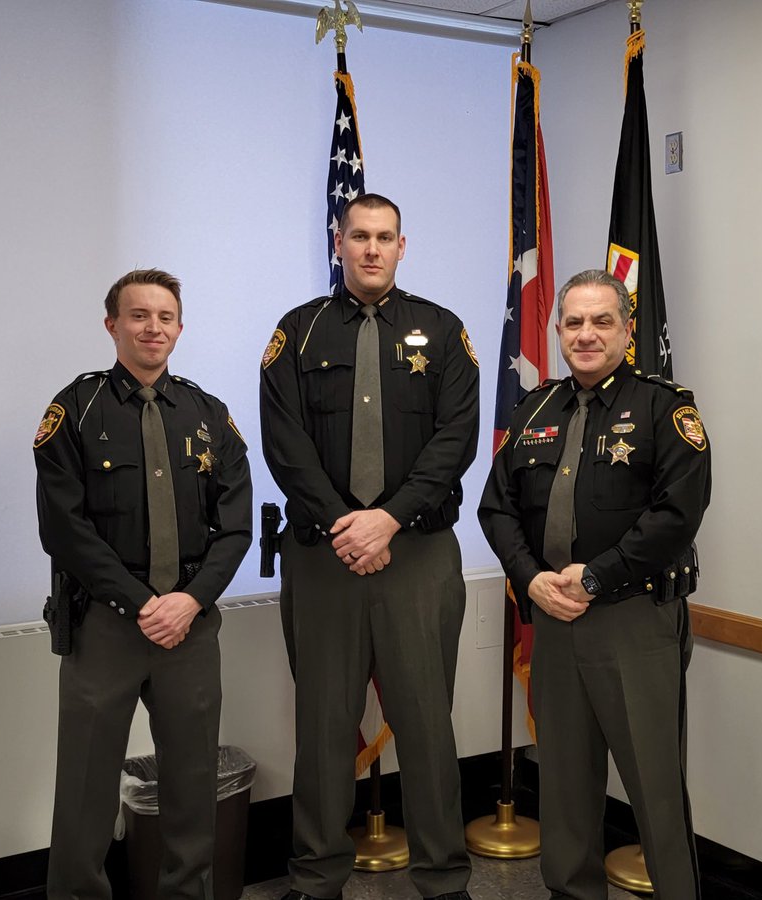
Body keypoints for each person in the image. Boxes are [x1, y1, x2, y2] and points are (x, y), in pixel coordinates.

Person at [260, 194, 480, 900]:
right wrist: (345, 525)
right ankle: (317, 877)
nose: (372, 249)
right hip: (323, 558)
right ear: (339, 242)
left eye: (385, 237)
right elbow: (284, 443)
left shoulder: (442, 332)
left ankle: (442, 879)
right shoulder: (298, 332)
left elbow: (456, 441)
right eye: (360, 236)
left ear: (403, 246)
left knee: (425, 723)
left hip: (417, 554)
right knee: (324, 727)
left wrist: (387, 520)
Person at [479, 269, 711, 900]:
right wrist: (532, 581)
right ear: (557, 330)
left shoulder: (666, 406)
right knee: (565, 787)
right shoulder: (535, 408)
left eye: (601, 321)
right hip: (554, 618)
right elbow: (495, 508)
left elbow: (678, 511)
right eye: (573, 322)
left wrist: (598, 576)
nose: (586, 334)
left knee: (655, 790)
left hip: (632, 621)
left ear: (627, 329)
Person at [33, 268, 252, 899]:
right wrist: (141, 603)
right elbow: (65, 531)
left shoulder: (208, 415)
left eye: (164, 317)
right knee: (84, 791)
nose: (152, 328)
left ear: (179, 328)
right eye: (138, 316)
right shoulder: (73, 411)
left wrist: (188, 601)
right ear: (112, 325)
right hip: (105, 625)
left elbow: (234, 526)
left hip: (190, 623)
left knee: (190, 787)